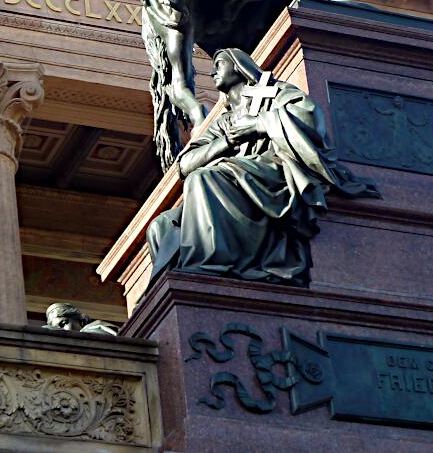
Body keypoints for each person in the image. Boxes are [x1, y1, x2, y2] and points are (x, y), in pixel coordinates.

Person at [146, 48, 377, 287]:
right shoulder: (224, 121)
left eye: (220, 64)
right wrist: (228, 141)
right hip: (240, 175)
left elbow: (308, 117)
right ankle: (166, 291)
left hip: (274, 169)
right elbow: (185, 164)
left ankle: (209, 263)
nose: (213, 71)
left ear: (238, 66)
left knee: (205, 179)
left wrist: (258, 124)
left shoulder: (274, 93)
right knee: (160, 226)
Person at [43, 302, 119, 336]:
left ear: (77, 318)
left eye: (64, 324)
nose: (64, 331)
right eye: (58, 330)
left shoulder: (94, 328)